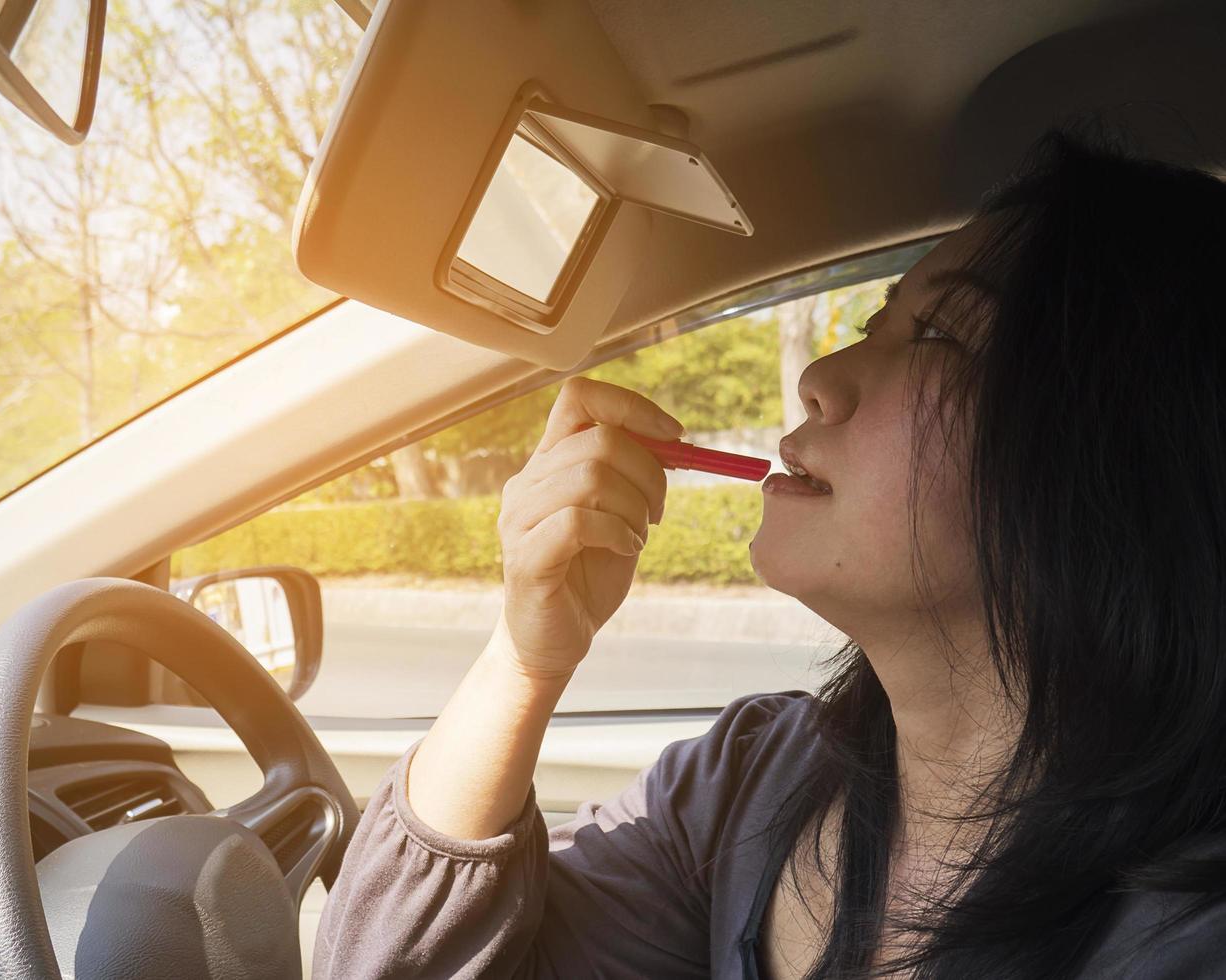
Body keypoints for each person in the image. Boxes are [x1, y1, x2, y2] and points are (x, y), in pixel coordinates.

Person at [311, 129, 1226, 979]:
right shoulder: (748, 783)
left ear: (1113, 457)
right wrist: (524, 655)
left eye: (938, 334)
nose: (820, 380)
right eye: (876, 324)